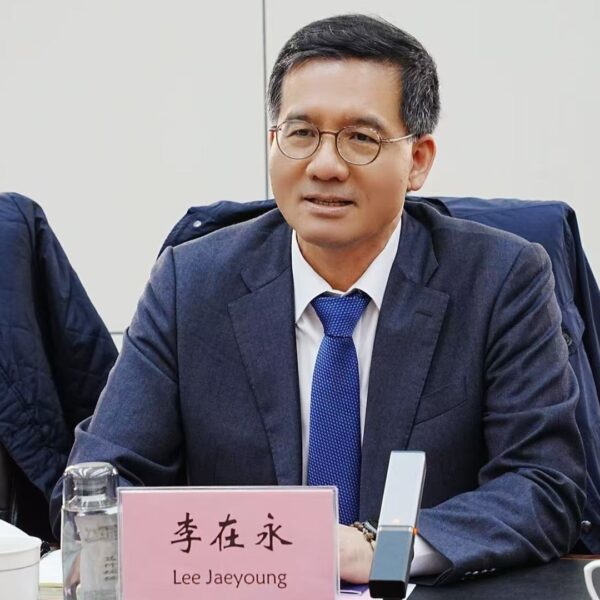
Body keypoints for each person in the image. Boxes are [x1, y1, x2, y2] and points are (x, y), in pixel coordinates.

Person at [50, 14, 585, 584]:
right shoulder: (191, 283)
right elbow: (99, 486)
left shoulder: (500, 280)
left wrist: (378, 550)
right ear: (273, 144)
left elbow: (544, 486)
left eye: (361, 138)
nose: (325, 166)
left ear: (419, 160)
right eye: (301, 134)